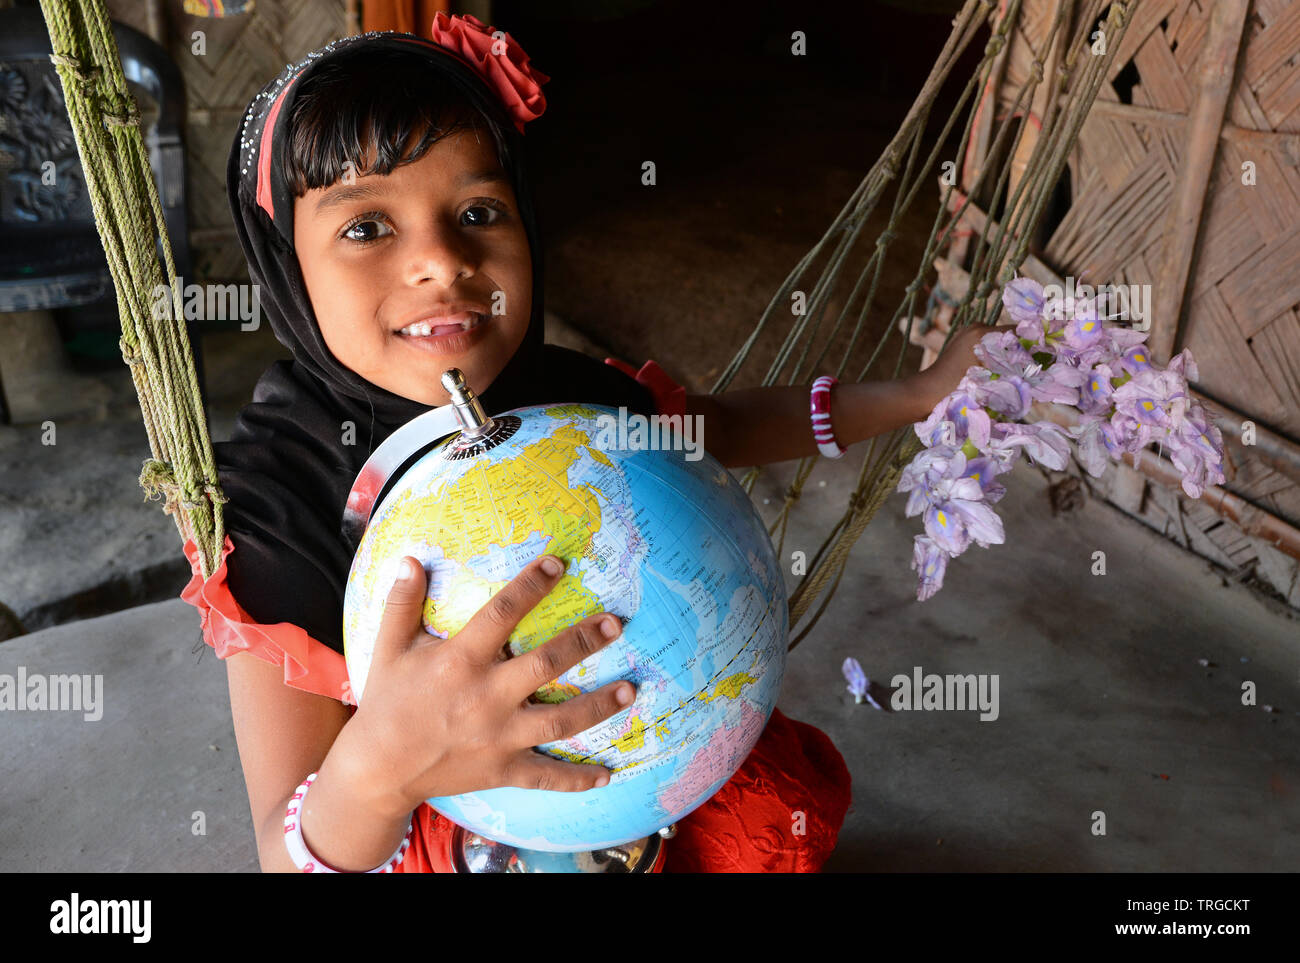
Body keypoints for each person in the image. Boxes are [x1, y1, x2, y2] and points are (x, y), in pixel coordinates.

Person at [180, 14, 988, 873]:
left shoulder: (563, 401)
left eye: (478, 210)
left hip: (633, 762)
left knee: (774, 813)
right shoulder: (276, 501)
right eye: (368, 227)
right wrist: (381, 767)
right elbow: (283, 848)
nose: (442, 261)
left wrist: (914, 395)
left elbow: (724, 430)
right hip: (418, 827)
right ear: (283, 265)